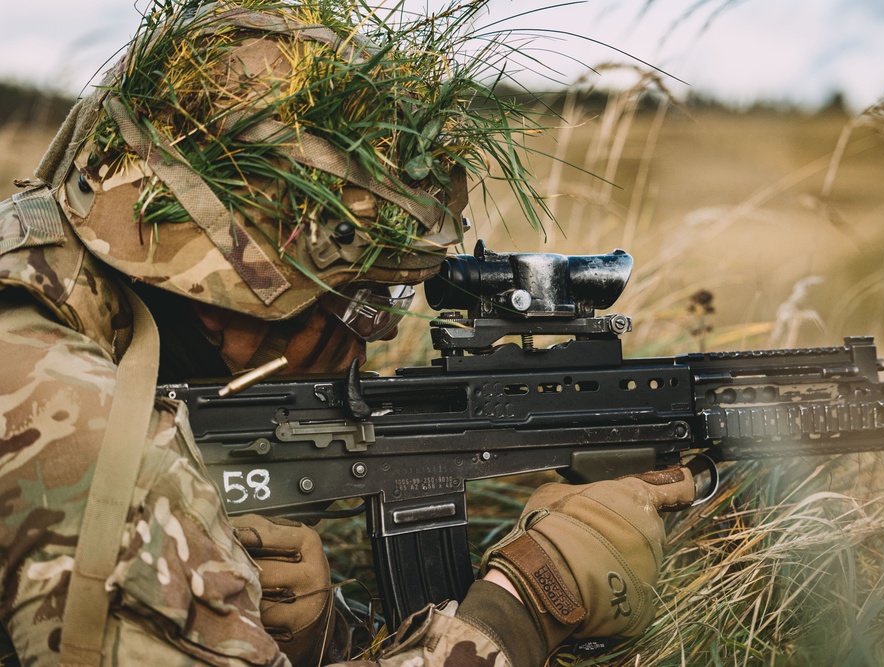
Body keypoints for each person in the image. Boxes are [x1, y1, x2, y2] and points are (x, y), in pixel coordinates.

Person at [0, 2, 695, 665]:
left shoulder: (52, 299)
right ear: (225, 300)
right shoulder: (70, 415)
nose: (372, 341)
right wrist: (526, 604)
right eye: (359, 302)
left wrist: (311, 635)